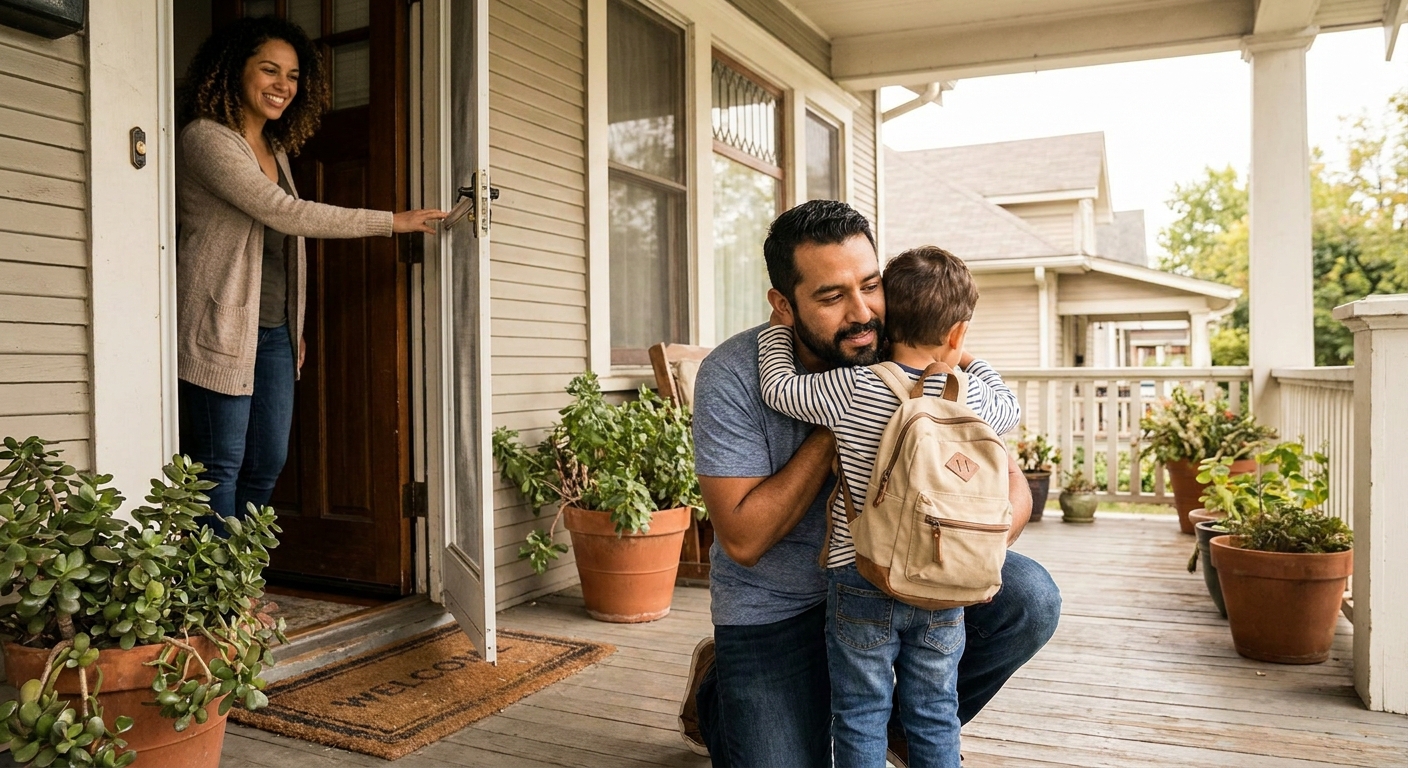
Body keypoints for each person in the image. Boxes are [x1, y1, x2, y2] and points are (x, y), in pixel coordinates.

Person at [680, 201, 1062, 767]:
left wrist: (955, 548)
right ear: (784, 306)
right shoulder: (733, 375)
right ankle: (722, 694)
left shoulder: (908, 344)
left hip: (903, 580)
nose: (863, 313)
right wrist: (854, 426)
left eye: (871, 285)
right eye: (833, 297)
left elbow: (1015, 494)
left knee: (1030, 596)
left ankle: (898, 724)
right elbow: (742, 539)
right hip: (778, 607)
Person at [174, 17, 445, 525]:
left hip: (274, 331)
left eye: (293, 76)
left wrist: (293, 325)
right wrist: (392, 221)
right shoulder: (206, 139)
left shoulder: (274, 148)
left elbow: (282, 248)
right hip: (218, 326)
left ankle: (243, 585)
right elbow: (284, 214)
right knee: (218, 468)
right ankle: (217, 603)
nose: (283, 86)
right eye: (270, 70)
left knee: (266, 465)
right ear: (236, 70)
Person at [757, 245, 1020, 768]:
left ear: (883, 319)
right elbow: (1009, 406)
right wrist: (963, 356)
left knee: (859, 711)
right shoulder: (973, 397)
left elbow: (779, 389)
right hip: (946, 580)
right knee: (935, 710)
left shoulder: (852, 387)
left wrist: (774, 331)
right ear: (957, 332)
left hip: (862, 575)